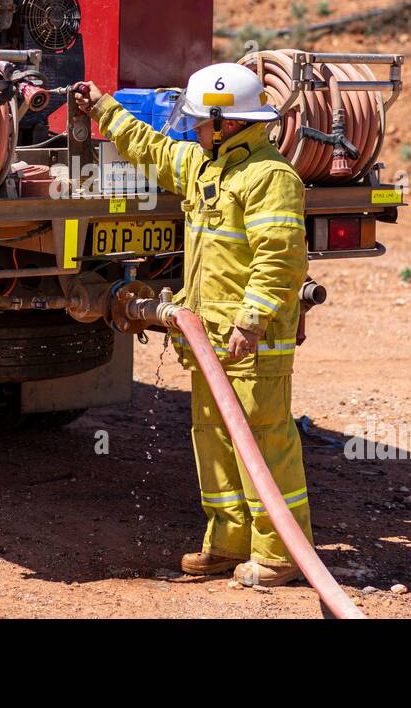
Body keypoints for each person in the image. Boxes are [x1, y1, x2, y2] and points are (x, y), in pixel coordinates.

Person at [74, 64, 312, 587]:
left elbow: (280, 260)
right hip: (209, 338)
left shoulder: (269, 178)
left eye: (202, 122)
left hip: (251, 342)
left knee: (263, 440)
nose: (194, 130)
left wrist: (250, 321)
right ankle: (227, 543)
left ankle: (278, 555)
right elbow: (154, 149)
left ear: (227, 123)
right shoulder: (210, 169)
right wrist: (101, 107)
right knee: (215, 439)